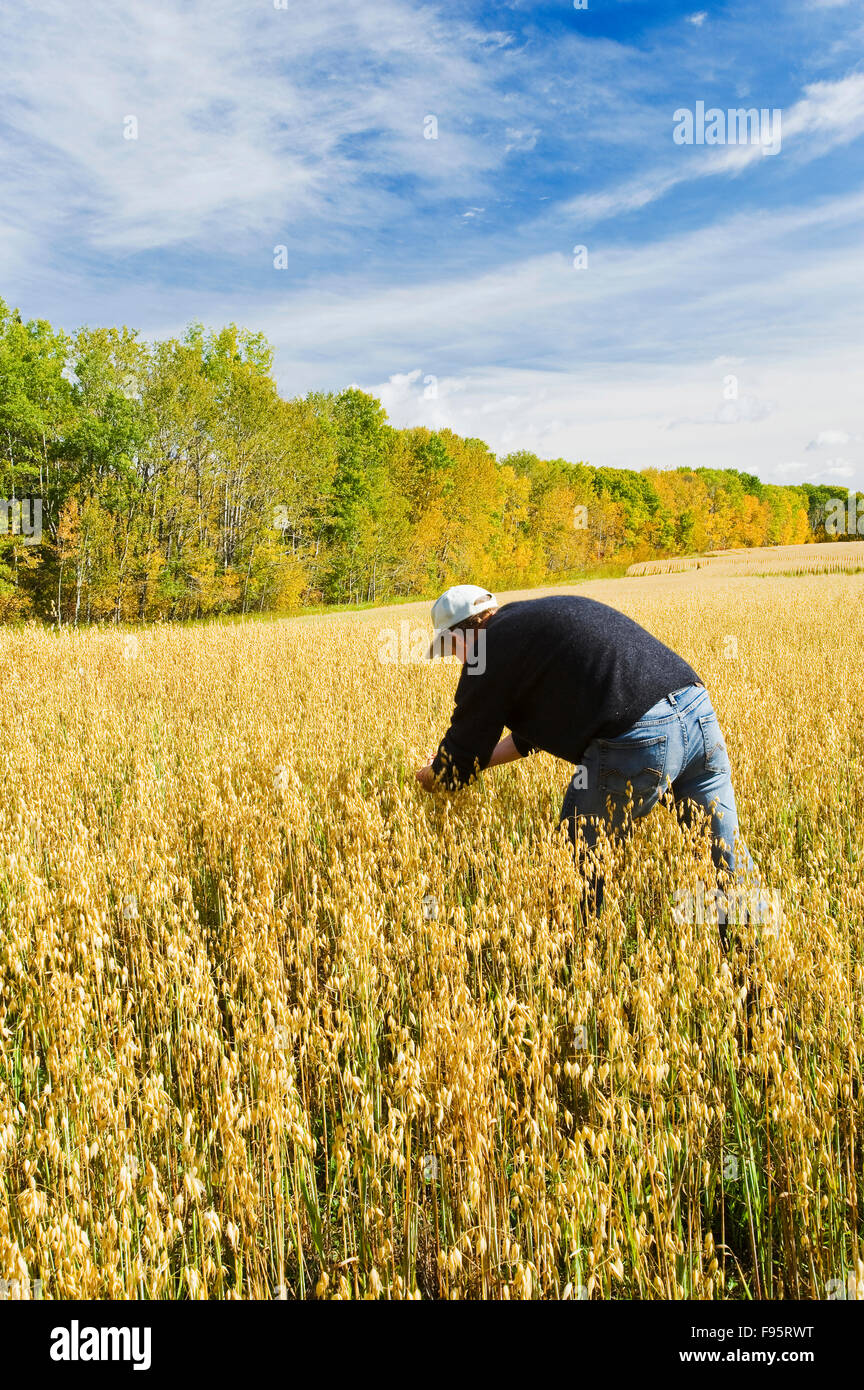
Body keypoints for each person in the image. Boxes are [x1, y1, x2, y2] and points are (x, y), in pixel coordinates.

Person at [415, 584, 756, 915]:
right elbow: (527, 739)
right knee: (726, 857)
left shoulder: (486, 650)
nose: (456, 659)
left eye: (450, 649)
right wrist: (478, 761)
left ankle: (577, 954)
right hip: (697, 713)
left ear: (458, 636)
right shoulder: (529, 624)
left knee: (578, 858)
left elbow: (457, 766)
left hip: (637, 734)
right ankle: (750, 955)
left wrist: (432, 775)